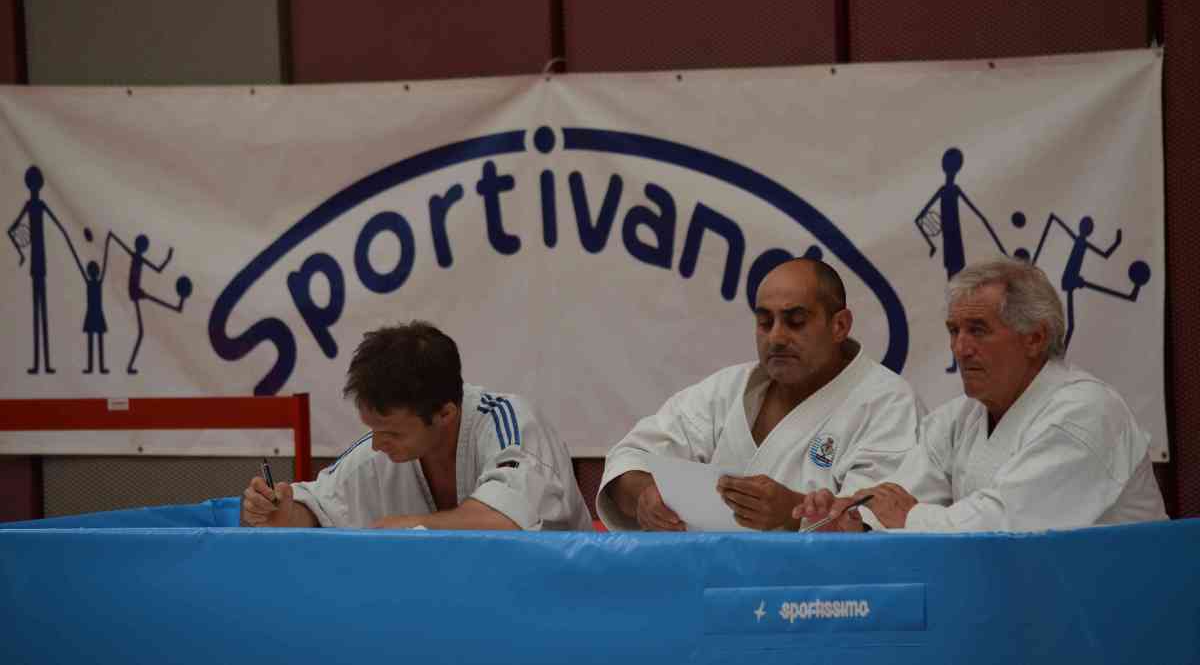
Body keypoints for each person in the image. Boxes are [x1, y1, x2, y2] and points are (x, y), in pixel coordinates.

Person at [796, 258, 1167, 533]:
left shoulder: (1086, 412)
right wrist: (852, 521)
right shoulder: (957, 419)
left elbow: (1004, 525)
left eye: (978, 330)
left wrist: (910, 517)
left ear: (1035, 338)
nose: (960, 348)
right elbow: (896, 499)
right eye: (954, 331)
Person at [597, 258, 923, 531]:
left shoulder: (888, 403)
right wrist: (644, 494)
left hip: (821, 586)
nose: (776, 338)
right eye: (765, 322)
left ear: (839, 325)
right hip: (709, 577)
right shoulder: (726, 390)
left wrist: (792, 512)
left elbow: (879, 523)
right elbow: (630, 456)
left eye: (796, 321)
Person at [240, 321, 593, 531]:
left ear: (445, 414)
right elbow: (322, 506)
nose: (377, 444)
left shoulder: (512, 424)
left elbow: (508, 520)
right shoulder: (379, 453)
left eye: (392, 432)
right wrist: (284, 512)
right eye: (373, 429)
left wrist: (411, 525)